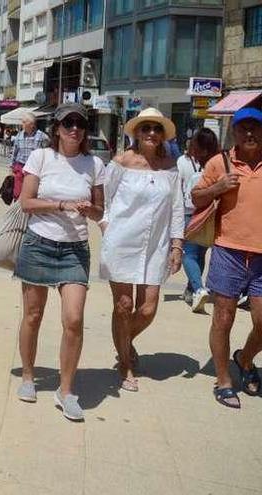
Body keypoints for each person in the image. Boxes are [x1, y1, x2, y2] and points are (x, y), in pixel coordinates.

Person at [13, 103, 104, 421]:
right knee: (33, 315)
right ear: (57, 128)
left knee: (74, 319)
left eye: (79, 123)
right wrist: (62, 204)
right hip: (39, 244)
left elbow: (99, 211)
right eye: (68, 123)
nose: (74, 129)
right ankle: (27, 376)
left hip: (75, 250)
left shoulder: (94, 163)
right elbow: (26, 202)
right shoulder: (41, 157)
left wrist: (88, 210)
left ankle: (66, 391)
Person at [99, 107, 184, 392]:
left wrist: (177, 244)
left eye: (156, 129)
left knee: (147, 309)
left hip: (156, 246)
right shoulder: (121, 163)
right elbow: (105, 201)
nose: (151, 133)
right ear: (136, 132)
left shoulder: (171, 167)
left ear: (162, 136)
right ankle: (125, 364)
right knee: (123, 307)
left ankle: (124, 342)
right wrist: (105, 225)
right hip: (122, 242)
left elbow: (176, 208)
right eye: (145, 128)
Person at [191, 107, 262, 409]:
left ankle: (244, 358)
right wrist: (219, 187)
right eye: (243, 128)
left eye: (255, 128)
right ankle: (223, 380)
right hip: (227, 250)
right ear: (233, 132)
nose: (249, 133)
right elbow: (195, 197)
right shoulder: (219, 163)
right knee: (223, 317)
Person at [177, 129, 220, 312]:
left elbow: (177, 189)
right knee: (199, 254)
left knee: (188, 254)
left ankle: (199, 288)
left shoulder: (182, 162)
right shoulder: (219, 163)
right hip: (210, 213)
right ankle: (191, 289)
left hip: (190, 212)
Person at [11, 114, 50, 200]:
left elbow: (48, 154)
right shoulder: (19, 135)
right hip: (20, 167)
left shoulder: (43, 137)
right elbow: (15, 152)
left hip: (35, 169)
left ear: (32, 124)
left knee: (31, 193)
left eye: (24, 122)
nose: (22, 124)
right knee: (17, 192)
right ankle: (18, 210)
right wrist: (12, 167)